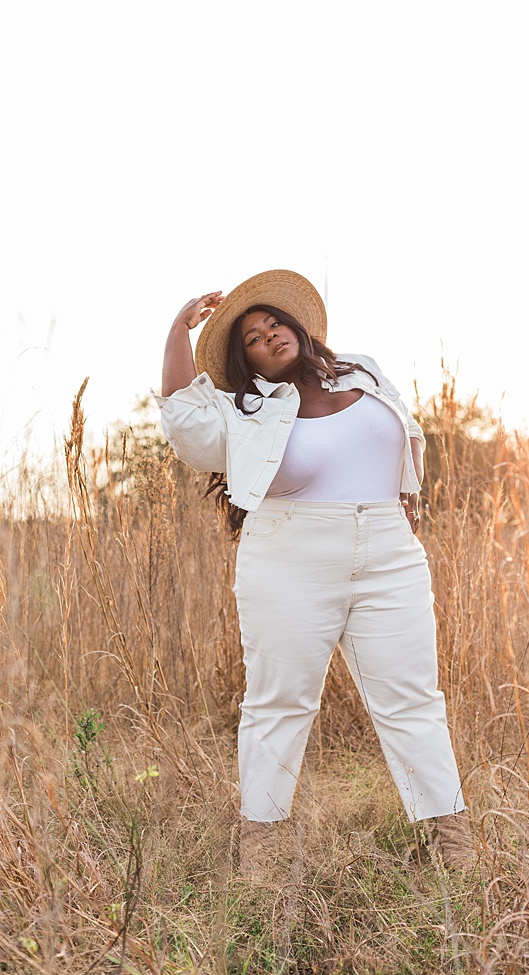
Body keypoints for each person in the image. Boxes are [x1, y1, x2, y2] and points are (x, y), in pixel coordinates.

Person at [157, 269, 473, 876]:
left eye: (274, 323)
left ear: (297, 328)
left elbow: (403, 434)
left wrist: (406, 490)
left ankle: (452, 844)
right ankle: (263, 853)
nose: (269, 335)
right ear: (245, 363)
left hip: (389, 551)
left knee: (412, 698)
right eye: (252, 338)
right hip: (289, 559)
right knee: (279, 702)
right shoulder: (247, 411)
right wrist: (177, 330)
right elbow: (183, 426)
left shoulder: (363, 370)